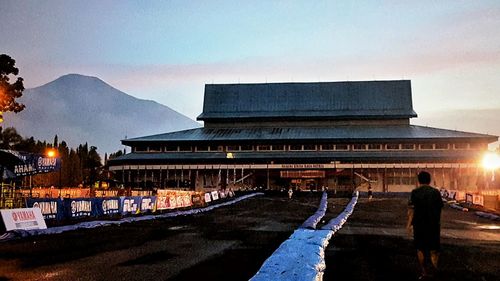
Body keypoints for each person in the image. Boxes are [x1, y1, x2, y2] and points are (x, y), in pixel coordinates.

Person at [407, 171, 444, 280]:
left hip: (419, 224)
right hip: (433, 224)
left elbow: (411, 210)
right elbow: (440, 209)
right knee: (434, 249)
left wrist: (408, 225)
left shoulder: (415, 192)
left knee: (420, 248)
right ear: (429, 180)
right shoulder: (436, 192)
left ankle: (424, 271)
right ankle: (434, 269)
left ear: (419, 180)